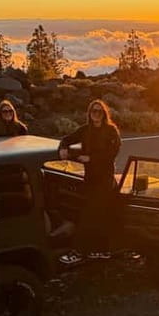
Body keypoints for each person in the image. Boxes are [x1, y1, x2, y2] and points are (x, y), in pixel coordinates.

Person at [58, 99, 122, 260]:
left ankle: (85, 251)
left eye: (99, 111)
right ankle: (95, 250)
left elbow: (112, 153)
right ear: (90, 113)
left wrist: (91, 158)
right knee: (90, 212)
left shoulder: (111, 131)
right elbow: (67, 138)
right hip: (90, 177)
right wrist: (63, 148)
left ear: (104, 113)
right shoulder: (85, 130)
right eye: (94, 111)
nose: (96, 114)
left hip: (105, 178)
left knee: (94, 214)